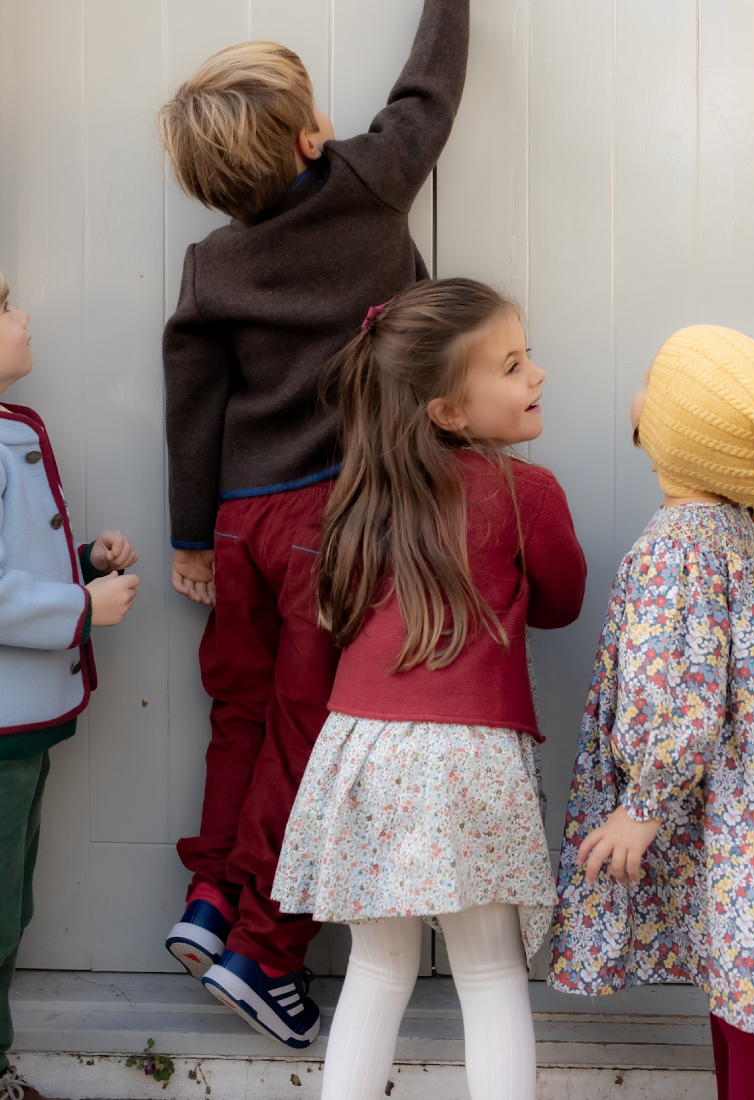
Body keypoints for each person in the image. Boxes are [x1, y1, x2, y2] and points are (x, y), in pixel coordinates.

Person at [156, 0, 470, 1049]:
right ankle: (264, 950)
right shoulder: (368, 183)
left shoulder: (212, 263)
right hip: (329, 522)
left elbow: (193, 402)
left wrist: (190, 535)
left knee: (241, 716)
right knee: (311, 739)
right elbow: (428, 93)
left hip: (241, 524)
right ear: (309, 138)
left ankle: (212, 895)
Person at [271, 278, 586, 1100]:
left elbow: (332, 616)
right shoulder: (528, 493)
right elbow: (561, 603)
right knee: (489, 973)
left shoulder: (359, 498)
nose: (537, 374)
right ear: (446, 411)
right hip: (469, 758)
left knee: (377, 970)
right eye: (512, 366)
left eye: (526, 357)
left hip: (366, 750)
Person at [550, 325, 754, 1100]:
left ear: (684, 432)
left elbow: (680, 696)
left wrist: (641, 805)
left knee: (748, 1001)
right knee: (741, 979)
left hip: (698, 795)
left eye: (653, 382)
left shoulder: (674, 549)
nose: (638, 392)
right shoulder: (739, 529)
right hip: (743, 798)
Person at [0, 272, 140, 1100]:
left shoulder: (12, 426)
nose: (22, 315)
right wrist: (81, 608)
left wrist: (85, 563)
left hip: (23, 723)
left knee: (10, 901)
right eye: (1, 307)